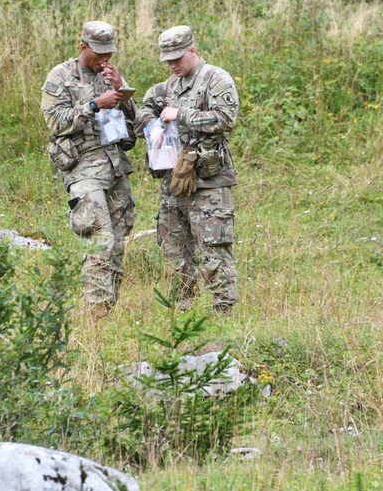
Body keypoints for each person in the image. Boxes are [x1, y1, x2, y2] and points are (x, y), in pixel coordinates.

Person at [135, 25, 239, 313]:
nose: (172, 65)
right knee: (174, 251)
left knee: (213, 250)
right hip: (174, 181)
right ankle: (182, 314)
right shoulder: (167, 87)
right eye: (167, 60)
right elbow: (144, 112)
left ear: (192, 50)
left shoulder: (216, 80)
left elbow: (226, 119)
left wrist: (181, 115)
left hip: (209, 182)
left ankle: (224, 314)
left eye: (177, 59)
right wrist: (154, 124)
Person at [41, 21, 137, 317]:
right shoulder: (60, 76)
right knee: (100, 238)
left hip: (115, 166)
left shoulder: (110, 74)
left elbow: (132, 123)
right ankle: (97, 313)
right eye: (99, 54)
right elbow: (55, 122)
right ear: (82, 48)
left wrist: (121, 89)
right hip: (83, 168)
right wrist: (93, 105)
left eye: (109, 53)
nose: (105, 59)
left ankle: (109, 309)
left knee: (118, 241)